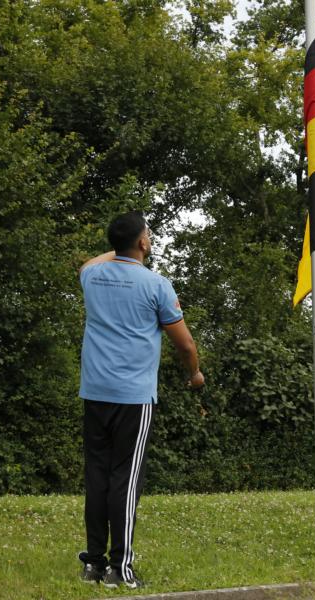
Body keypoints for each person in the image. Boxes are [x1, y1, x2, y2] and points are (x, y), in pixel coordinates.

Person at [77, 211, 204, 589]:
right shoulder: (157, 286)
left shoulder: (93, 277)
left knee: (97, 477)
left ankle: (93, 564)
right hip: (133, 397)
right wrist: (194, 374)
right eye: (147, 235)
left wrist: (119, 248)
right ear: (144, 243)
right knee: (126, 480)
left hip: (94, 391)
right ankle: (120, 569)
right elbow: (185, 344)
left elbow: (88, 263)